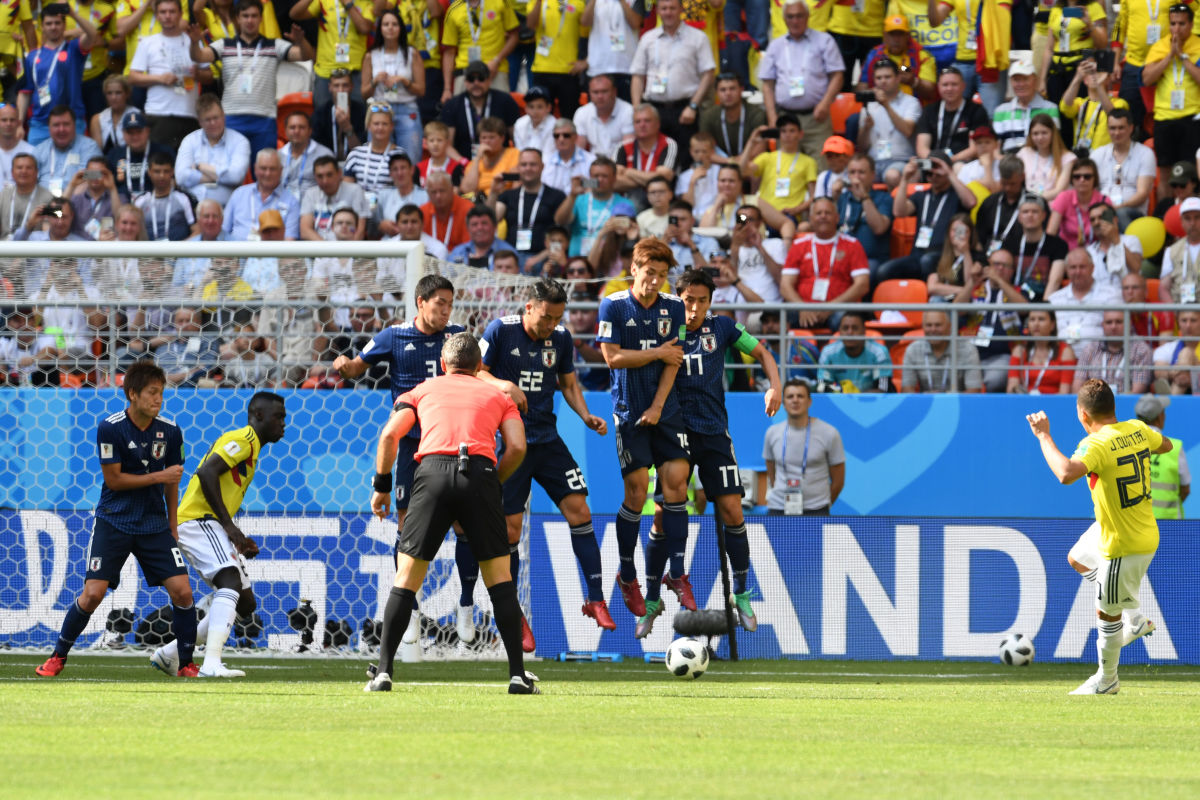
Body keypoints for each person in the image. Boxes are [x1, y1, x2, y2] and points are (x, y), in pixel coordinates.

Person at [365, 332, 536, 693]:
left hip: (432, 474)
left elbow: (389, 436)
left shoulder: (420, 390)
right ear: (479, 366)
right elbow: (518, 447)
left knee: (406, 578)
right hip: (481, 472)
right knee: (500, 580)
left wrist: (382, 485)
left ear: (443, 364)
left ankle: (383, 673)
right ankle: (518, 676)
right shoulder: (499, 396)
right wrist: (493, 481)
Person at [35, 360, 197, 678]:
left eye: (161, 393)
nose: (158, 399)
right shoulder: (110, 427)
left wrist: (172, 526)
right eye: (152, 392)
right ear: (133, 394)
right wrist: (160, 475)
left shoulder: (171, 431)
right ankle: (57, 657)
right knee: (92, 594)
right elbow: (115, 480)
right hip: (114, 520)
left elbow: (173, 482)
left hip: (154, 525)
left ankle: (186, 664)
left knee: (183, 592)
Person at [479, 279, 616, 632]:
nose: (551, 326)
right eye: (545, 318)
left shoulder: (561, 339)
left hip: (547, 440)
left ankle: (596, 599)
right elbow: (474, 371)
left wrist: (585, 416)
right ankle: (513, 613)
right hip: (509, 442)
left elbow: (568, 383)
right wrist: (504, 385)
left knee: (580, 510)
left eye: (557, 319)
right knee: (511, 530)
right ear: (529, 308)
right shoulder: (500, 331)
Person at [1025, 379, 1171, 694]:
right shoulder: (1137, 428)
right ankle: (1136, 620)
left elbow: (1065, 473)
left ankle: (1107, 680)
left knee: (1106, 615)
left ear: (1082, 414)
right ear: (1113, 407)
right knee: (1078, 558)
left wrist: (1043, 435)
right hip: (1129, 528)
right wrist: (1141, 442)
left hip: (1123, 544)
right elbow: (1166, 446)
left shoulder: (1096, 444)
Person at [664, 268, 781, 628]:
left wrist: (775, 386)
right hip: (675, 431)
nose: (695, 308)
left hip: (714, 432)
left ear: (711, 302)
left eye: (702, 301)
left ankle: (741, 593)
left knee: (732, 509)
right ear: (678, 298)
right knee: (671, 501)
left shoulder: (723, 327)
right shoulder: (664, 329)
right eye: (689, 300)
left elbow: (763, 353)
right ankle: (666, 582)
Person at [151, 392, 287, 678]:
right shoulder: (244, 439)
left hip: (210, 523)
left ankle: (170, 654)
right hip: (198, 520)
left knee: (245, 602)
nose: (283, 424)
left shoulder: (253, 449)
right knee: (229, 581)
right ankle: (211, 663)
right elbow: (206, 472)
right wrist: (229, 526)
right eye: (278, 417)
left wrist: (236, 535)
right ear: (258, 415)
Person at [594, 238, 690, 637]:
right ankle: (627, 573)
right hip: (628, 411)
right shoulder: (613, 305)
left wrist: (659, 406)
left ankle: (677, 573)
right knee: (636, 492)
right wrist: (657, 354)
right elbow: (612, 357)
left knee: (677, 484)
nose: (655, 281)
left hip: (665, 410)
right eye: (649, 273)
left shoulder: (675, 307)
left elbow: (675, 360)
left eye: (662, 275)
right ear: (633, 269)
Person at [187, 0, 313, 163]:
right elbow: (198, 56)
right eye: (245, 16)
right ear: (237, 18)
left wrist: (302, 42)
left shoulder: (274, 45)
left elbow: (305, 55)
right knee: (231, 171)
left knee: (264, 171)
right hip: (232, 118)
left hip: (264, 119)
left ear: (261, 18)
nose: (250, 20)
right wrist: (194, 42)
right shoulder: (225, 45)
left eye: (254, 16)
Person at [759, 0, 845, 167]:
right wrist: (772, 117)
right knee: (787, 169)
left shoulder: (824, 41)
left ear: (807, 16)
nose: (795, 21)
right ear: (784, 19)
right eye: (790, 17)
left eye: (799, 16)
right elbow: (767, 84)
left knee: (821, 168)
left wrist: (825, 104)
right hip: (785, 119)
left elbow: (837, 76)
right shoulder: (775, 46)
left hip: (816, 118)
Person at [875, 153, 977, 284]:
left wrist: (950, 173)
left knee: (927, 261)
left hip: (946, 255)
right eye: (929, 173)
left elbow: (971, 202)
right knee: (884, 271)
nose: (933, 177)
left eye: (938, 173)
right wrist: (905, 178)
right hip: (918, 254)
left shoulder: (956, 195)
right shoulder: (921, 196)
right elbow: (898, 212)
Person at [629, 0, 715, 148]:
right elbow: (637, 75)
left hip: (685, 110)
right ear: (657, 11)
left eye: (672, 8)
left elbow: (708, 74)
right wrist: (637, 110)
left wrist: (693, 106)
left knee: (685, 156)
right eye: (664, 9)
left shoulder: (698, 38)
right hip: (654, 110)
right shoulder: (648, 39)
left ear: (681, 9)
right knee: (657, 155)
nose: (668, 12)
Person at [128, 0, 209, 153]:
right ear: (157, 15)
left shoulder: (193, 41)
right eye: (163, 12)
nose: (167, 16)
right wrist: (159, 79)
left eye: (172, 11)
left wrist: (198, 74)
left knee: (188, 165)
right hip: (159, 113)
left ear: (181, 14)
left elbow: (209, 76)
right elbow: (132, 78)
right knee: (160, 164)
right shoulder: (148, 43)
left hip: (189, 114)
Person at [780, 196, 869, 329]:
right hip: (803, 309)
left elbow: (862, 285)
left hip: (838, 309)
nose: (823, 216)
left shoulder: (852, 245)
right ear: (810, 218)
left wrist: (830, 307)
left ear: (837, 218)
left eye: (827, 213)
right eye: (818, 213)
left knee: (847, 321)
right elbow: (785, 286)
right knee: (777, 319)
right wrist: (802, 307)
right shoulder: (799, 245)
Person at [1141, 4, 1200, 203]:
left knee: (1192, 172)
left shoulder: (1198, 45)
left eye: (1181, 24)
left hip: (1192, 117)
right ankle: (1164, 215)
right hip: (1164, 117)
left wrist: (1183, 56)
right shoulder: (1159, 46)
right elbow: (1147, 79)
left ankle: (1193, 214)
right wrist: (1169, 56)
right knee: (1165, 173)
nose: (1176, 29)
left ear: (1191, 24)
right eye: (1173, 23)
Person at [17, 3, 99, 144]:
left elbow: (92, 34)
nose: (53, 27)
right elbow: (25, 93)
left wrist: (73, 14)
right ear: (42, 27)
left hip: (71, 122)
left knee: (73, 159)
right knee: (34, 159)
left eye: (57, 23)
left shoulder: (74, 48)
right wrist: (19, 123)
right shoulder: (33, 57)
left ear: (64, 26)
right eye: (48, 24)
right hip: (40, 124)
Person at [761, 378, 844, 514]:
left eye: (800, 396)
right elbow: (771, 472)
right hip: (778, 508)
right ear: (783, 403)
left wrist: (822, 504)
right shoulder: (772, 433)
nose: (795, 400)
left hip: (816, 509)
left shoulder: (829, 433)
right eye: (790, 396)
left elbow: (838, 481)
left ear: (809, 401)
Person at [953, 247, 1026, 392]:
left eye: (1005, 266)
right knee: (956, 374)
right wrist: (972, 281)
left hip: (1001, 356)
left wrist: (999, 280)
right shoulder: (975, 289)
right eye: (996, 264)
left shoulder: (1018, 292)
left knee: (995, 379)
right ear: (988, 266)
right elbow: (956, 309)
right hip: (970, 354)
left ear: (1012, 271)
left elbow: (1024, 309)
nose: (1000, 268)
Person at [361, 7, 425, 160]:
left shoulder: (412, 53)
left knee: (410, 159)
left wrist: (404, 81)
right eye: (386, 24)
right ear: (380, 29)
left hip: (407, 109)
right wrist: (375, 82)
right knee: (378, 159)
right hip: (380, 109)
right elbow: (364, 93)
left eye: (395, 24)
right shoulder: (371, 55)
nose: (390, 28)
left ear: (401, 28)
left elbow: (421, 90)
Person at [288, 0, 374, 110]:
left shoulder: (366, 3)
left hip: (355, 71)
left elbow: (365, 28)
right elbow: (294, 14)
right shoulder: (324, 1)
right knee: (322, 113)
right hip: (326, 71)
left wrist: (348, 5)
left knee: (357, 114)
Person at [493, 148, 566, 270]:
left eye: (533, 164)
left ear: (542, 166)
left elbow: (563, 234)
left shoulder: (557, 196)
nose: (528, 168)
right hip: (512, 260)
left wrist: (540, 257)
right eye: (524, 164)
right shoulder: (508, 195)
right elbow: (491, 220)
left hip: (543, 259)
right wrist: (493, 193)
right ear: (518, 168)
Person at [174, 94, 251, 207]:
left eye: (216, 118)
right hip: (192, 207)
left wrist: (200, 167)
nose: (213, 123)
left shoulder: (240, 141)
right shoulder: (189, 140)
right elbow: (181, 177)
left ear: (223, 115)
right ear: (199, 121)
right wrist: (216, 177)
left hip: (226, 208)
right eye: (208, 120)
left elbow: (235, 177)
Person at [856, 58, 921, 188]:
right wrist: (866, 129)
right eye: (879, 78)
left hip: (901, 160)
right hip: (873, 162)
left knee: (892, 176)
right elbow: (862, 147)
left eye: (887, 77)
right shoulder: (868, 105)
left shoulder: (911, 103)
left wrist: (886, 105)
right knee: (855, 177)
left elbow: (907, 130)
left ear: (898, 78)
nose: (883, 81)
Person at [440, 60, 522, 161]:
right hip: (464, 163)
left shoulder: (505, 101)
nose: (476, 83)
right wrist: (463, 162)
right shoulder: (452, 105)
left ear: (489, 80)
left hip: (501, 163)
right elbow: (447, 145)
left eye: (481, 78)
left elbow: (517, 139)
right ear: (465, 82)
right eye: (471, 79)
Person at [739, 115, 816, 220]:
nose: (787, 135)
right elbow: (741, 171)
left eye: (792, 131)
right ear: (779, 134)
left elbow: (813, 196)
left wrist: (797, 210)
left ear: (800, 134)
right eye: (783, 131)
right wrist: (751, 142)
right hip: (763, 215)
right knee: (742, 219)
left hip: (789, 216)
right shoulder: (766, 157)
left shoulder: (808, 162)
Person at [555, 155, 635, 255]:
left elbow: (627, 234)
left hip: (608, 260)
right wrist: (572, 195)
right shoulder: (578, 199)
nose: (600, 179)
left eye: (605, 176)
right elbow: (560, 221)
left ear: (614, 178)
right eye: (596, 176)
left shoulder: (625, 204)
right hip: (578, 261)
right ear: (590, 178)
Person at [1089, 109, 1156, 228]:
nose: (1116, 132)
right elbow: (1090, 189)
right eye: (1112, 128)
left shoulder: (1145, 154)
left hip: (1133, 211)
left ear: (1131, 128)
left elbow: (1142, 193)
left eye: (1121, 128)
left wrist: (1115, 208)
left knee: (1119, 214)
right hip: (1101, 210)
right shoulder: (1097, 154)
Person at [439, 0, 519, 99]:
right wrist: (447, 89)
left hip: (495, 69)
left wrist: (497, 60)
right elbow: (449, 52)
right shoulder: (453, 9)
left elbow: (514, 36)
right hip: (465, 72)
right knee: (462, 108)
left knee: (501, 107)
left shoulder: (500, 2)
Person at [523, 0, 587, 121]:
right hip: (542, 69)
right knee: (540, 120)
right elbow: (530, 24)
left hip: (569, 71)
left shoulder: (578, 3)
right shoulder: (536, 2)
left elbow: (589, 34)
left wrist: (585, 61)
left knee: (569, 118)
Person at [914, 67, 989, 167]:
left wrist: (947, 161)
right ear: (938, 87)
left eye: (954, 84)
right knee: (911, 169)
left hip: (962, 161)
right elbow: (922, 148)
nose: (949, 89)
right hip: (932, 162)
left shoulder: (976, 110)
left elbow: (974, 148)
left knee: (958, 167)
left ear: (963, 86)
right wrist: (935, 162)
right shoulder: (929, 111)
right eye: (945, 85)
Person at [1047, 247, 1121, 347]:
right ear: (1066, 270)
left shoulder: (1111, 295)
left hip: (1100, 355)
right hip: (1062, 356)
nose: (1077, 272)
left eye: (1082, 267)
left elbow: (1119, 332)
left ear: (1092, 268)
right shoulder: (1054, 300)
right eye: (1073, 267)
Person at [1002, 194, 1068, 302]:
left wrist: (1043, 307)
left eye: (1035, 211)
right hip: (1013, 302)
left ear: (1044, 215)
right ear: (1019, 216)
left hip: (1045, 302)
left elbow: (1055, 281)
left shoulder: (1058, 244)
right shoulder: (1009, 244)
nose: (1030, 215)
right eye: (1025, 212)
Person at [1133, 395, 1190, 521]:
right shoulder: (1175, 447)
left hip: (1138, 521)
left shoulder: (1128, 446)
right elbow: (1185, 490)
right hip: (1170, 521)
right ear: (1160, 417)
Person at [222, 149, 299, 240]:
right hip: (236, 248)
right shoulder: (239, 194)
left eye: (272, 169)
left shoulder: (291, 202)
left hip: (272, 249)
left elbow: (289, 241)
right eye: (263, 168)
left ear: (281, 170)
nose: (267, 173)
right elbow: (223, 231)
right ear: (255, 169)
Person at [858, 14, 936, 103]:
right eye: (892, 34)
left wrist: (913, 82)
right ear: (884, 36)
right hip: (880, 106)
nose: (896, 39)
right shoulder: (874, 55)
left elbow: (931, 93)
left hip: (914, 107)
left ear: (907, 36)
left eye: (900, 34)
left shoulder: (922, 55)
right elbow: (861, 89)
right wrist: (874, 92)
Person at [612, 104, 679, 208]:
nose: (642, 125)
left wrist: (628, 172)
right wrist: (647, 179)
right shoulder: (623, 146)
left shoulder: (668, 144)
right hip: (629, 198)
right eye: (637, 122)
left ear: (658, 124)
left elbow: (663, 179)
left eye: (647, 121)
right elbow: (612, 181)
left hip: (660, 199)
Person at [901, 309, 984, 392]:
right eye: (929, 325)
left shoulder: (968, 350)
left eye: (938, 325)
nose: (933, 329)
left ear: (949, 327)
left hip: (957, 400)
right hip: (926, 400)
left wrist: (945, 398)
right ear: (923, 327)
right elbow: (906, 389)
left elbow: (974, 391)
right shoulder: (913, 350)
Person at [1072, 310, 1153, 394]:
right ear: (1102, 325)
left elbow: (1136, 392)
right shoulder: (1091, 348)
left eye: (1118, 322)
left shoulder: (1141, 350)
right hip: (1093, 401)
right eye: (1109, 322)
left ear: (1129, 324)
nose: (1113, 326)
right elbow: (1077, 388)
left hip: (1126, 401)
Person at [580, 0, 644, 102]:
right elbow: (584, 22)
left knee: (627, 110)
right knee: (599, 109)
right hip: (599, 67)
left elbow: (636, 23)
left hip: (627, 68)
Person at [32, 106, 104, 197]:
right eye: (56, 125)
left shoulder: (89, 147)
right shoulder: (39, 150)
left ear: (74, 125)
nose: (61, 129)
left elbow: (96, 175)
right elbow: (30, 180)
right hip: (43, 202)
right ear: (49, 127)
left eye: (66, 124)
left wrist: (65, 199)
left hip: (76, 201)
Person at [992, 59, 1059, 154]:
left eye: (1025, 79)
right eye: (1016, 80)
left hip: (1040, 158)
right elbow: (995, 146)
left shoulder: (1050, 108)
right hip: (1008, 160)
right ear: (1011, 82)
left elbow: (1054, 143)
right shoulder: (1000, 110)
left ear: (1035, 80)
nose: (1021, 84)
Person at [1059, 57, 1124, 152]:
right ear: (1085, 80)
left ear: (1108, 79)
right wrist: (1077, 78)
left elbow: (1114, 115)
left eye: (1099, 72)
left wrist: (1099, 85)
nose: (1095, 75)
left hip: (1106, 157)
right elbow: (1064, 107)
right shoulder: (1079, 103)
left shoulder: (1119, 103)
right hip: (1082, 157)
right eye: (1091, 72)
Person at [818, 311, 893, 392]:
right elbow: (822, 387)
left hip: (871, 399)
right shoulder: (828, 353)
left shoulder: (879, 352)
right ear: (839, 332)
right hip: (839, 398)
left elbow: (883, 389)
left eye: (855, 328)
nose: (850, 332)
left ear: (864, 331)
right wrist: (842, 390)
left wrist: (857, 396)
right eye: (845, 328)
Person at [1008, 308, 1077, 395]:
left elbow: (1064, 393)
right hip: (1025, 402)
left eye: (1041, 319)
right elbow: (1011, 389)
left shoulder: (1065, 352)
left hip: (1054, 402)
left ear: (1052, 325)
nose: (1036, 324)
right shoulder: (1019, 351)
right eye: (1032, 319)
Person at [698, 71, 764, 161]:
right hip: (720, 163)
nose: (728, 93)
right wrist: (729, 163)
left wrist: (736, 163)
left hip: (749, 163)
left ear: (741, 90)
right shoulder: (708, 115)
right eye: (723, 90)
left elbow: (760, 148)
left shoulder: (757, 114)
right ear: (717, 92)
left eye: (732, 89)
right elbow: (703, 149)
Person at [1047, 158, 1110, 247]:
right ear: (1072, 179)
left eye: (1087, 177)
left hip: (1097, 251)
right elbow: (1051, 233)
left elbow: (1111, 234)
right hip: (1067, 251)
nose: (1082, 180)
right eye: (1077, 177)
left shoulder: (1104, 201)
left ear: (1095, 179)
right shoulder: (1063, 198)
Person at [133, 151, 194, 241]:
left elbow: (197, 230)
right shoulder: (140, 201)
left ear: (172, 172)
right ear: (149, 172)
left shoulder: (184, 198)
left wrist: (181, 247)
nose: (162, 176)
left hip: (180, 249)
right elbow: (131, 231)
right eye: (157, 171)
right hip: (147, 249)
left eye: (166, 171)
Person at [1083, 203, 1143, 291]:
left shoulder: (1131, 240)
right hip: (1097, 297)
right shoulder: (1089, 251)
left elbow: (1136, 269)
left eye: (1101, 217)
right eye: (1092, 219)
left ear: (1115, 220)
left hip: (1125, 295)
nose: (1096, 222)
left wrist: (1116, 240)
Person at [311, 68, 367, 162]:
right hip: (327, 164)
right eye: (336, 86)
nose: (341, 90)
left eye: (345, 85)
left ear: (352, 87)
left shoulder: (361, 111)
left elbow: (362, 152)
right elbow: (316, 148)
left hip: (355, 163)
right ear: (330, 87)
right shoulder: (321, 112)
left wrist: (348, 129)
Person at [1014, 114, 1073, 202]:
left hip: (1055, 204)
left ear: (1053, 133)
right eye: (1035, 133)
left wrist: (1035, 201)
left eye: (1044, 133)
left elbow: (1059, 191)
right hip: (1029, 205)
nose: (1040, 137)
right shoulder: (1024, 153)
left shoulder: (1067, 158)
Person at [575, 73, 636, 157]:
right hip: (593, 162)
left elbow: (628, 149)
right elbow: (579, 150)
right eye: (595, 92)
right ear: (589, 93)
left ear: (614, 91)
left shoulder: (628, 111)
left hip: (620, 161)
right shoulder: (582, 112)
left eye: (604, 91)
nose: (600, 96)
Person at [277, 112, 334, 199]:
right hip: (282, 203)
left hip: (315, 203)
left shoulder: (324, 154)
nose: (297, 131)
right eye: (292, 127)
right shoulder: (277, 156)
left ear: (310, 131)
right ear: (285, 131)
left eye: (301, 127)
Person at [0, 153, 54, 241]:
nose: (24, 171)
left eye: (29, 168)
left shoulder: (48, 197)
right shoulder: (4, 195)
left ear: (36, 172)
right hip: (5, 245)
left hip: (34, 246)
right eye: (19, 167)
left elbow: (52, 228)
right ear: (12, 172)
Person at [447, 204, 518, 269]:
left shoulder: (509, 252)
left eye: (484, 223)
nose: (480, 228)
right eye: (474, 224)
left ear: (495, 227)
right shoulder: (458, 252)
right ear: (468, 229)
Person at [1159, 196, 1200, 304]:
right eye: (1187, 218)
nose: (1192, 223)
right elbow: (1164, 288)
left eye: (1197, 217)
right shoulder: (1171, 251)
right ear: (1181, 221)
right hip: (1181, 310)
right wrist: (1175, 311)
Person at [421, 170, 475, 250]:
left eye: (442, 191)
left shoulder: (468, 210)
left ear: (452, 189)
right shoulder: (422, 212)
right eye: (433, 192)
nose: (438, 196)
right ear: (428, 193)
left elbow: (469, 246)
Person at [542, 119, 596, 195]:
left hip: (581, 200)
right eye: (556, 136)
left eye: (566, 135)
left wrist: (583, 183)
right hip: (553, 202)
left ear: (575, 137)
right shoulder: (546, 161)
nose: (561, 139)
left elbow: (600, 183)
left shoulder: (591, 160)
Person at [512, 85, 557, 153]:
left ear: (549, 108)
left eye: (540, 107)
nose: (535, 112)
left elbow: (548, 156)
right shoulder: (519, 124)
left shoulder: (554, 126)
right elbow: (519, 153)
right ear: (525, 108)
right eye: (531, 107)